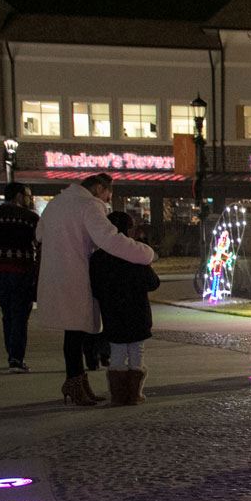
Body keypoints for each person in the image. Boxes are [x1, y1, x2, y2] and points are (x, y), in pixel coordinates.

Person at [35, 174, 157, 406]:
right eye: (107, 195)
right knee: (76, 332)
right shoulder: (88, 205)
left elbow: (39, 234)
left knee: (74, 332)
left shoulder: (55, 204)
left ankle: (77, 381)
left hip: (57, 273)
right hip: (77, 274)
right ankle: (74, 382)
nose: (108, 200)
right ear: (99, 188)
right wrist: (145, 253)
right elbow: (109, 239)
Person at [89, 211, 161, 405]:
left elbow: (94, 287)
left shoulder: (99, 258)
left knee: (117, 351)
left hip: (112, 312)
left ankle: (118, 394)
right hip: (137, 310)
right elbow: (153, 282)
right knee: (137, 350)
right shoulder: (135, 253)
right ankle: (134, 394)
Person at [0, 182, 39, 372]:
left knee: (8, 313)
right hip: (22, 270)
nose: (29, 199)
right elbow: (40, 243)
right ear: (19, 196)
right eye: (27, 196)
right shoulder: (30, 218)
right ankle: (16, 359)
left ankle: (11, 354)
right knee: (20, 314)